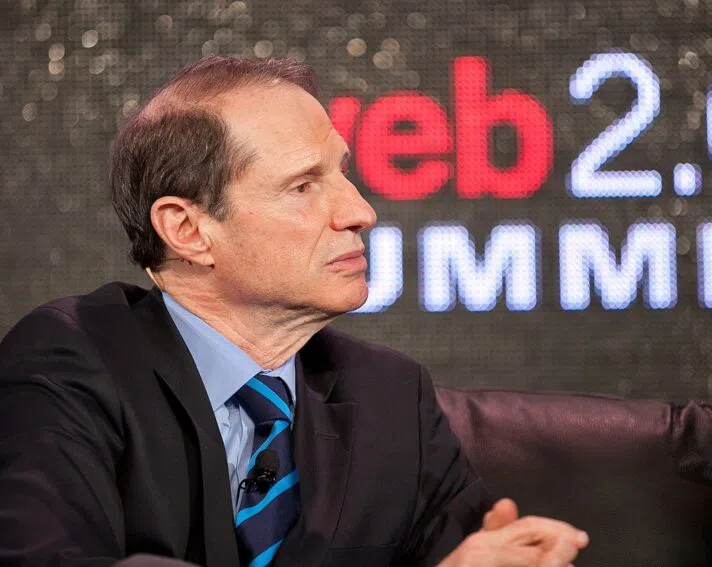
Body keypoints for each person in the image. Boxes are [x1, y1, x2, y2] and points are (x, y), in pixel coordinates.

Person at [0, 56, 589, 566]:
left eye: (343, 173)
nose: (360, 212)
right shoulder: (73, 360)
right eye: (303, 186)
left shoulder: (390, 398)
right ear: (188, 230)